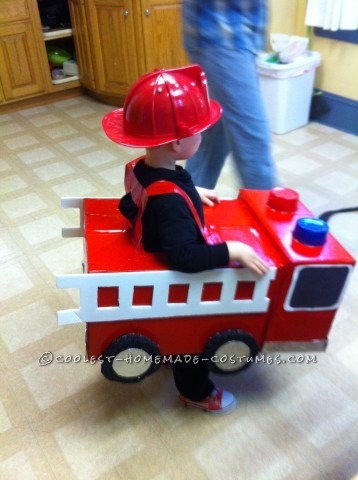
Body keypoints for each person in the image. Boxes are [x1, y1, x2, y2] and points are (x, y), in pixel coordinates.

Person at [102, 65, 269, 414]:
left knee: (186, 333)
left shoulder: (143, 168)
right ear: (178, 143)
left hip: (166, 216)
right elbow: (185, 258)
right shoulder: (168, 201)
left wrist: (191, 193)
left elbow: (127, 202)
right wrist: (232, 249)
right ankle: (195, 391)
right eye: (199, 131)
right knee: (193, 334)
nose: (204, 136)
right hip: (175, 284)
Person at [182, 0, 279, 190]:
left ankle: (187, 206)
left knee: (215, 136)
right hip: (224, 36)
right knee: (253, 141)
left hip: (229, 38)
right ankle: (264, 214)